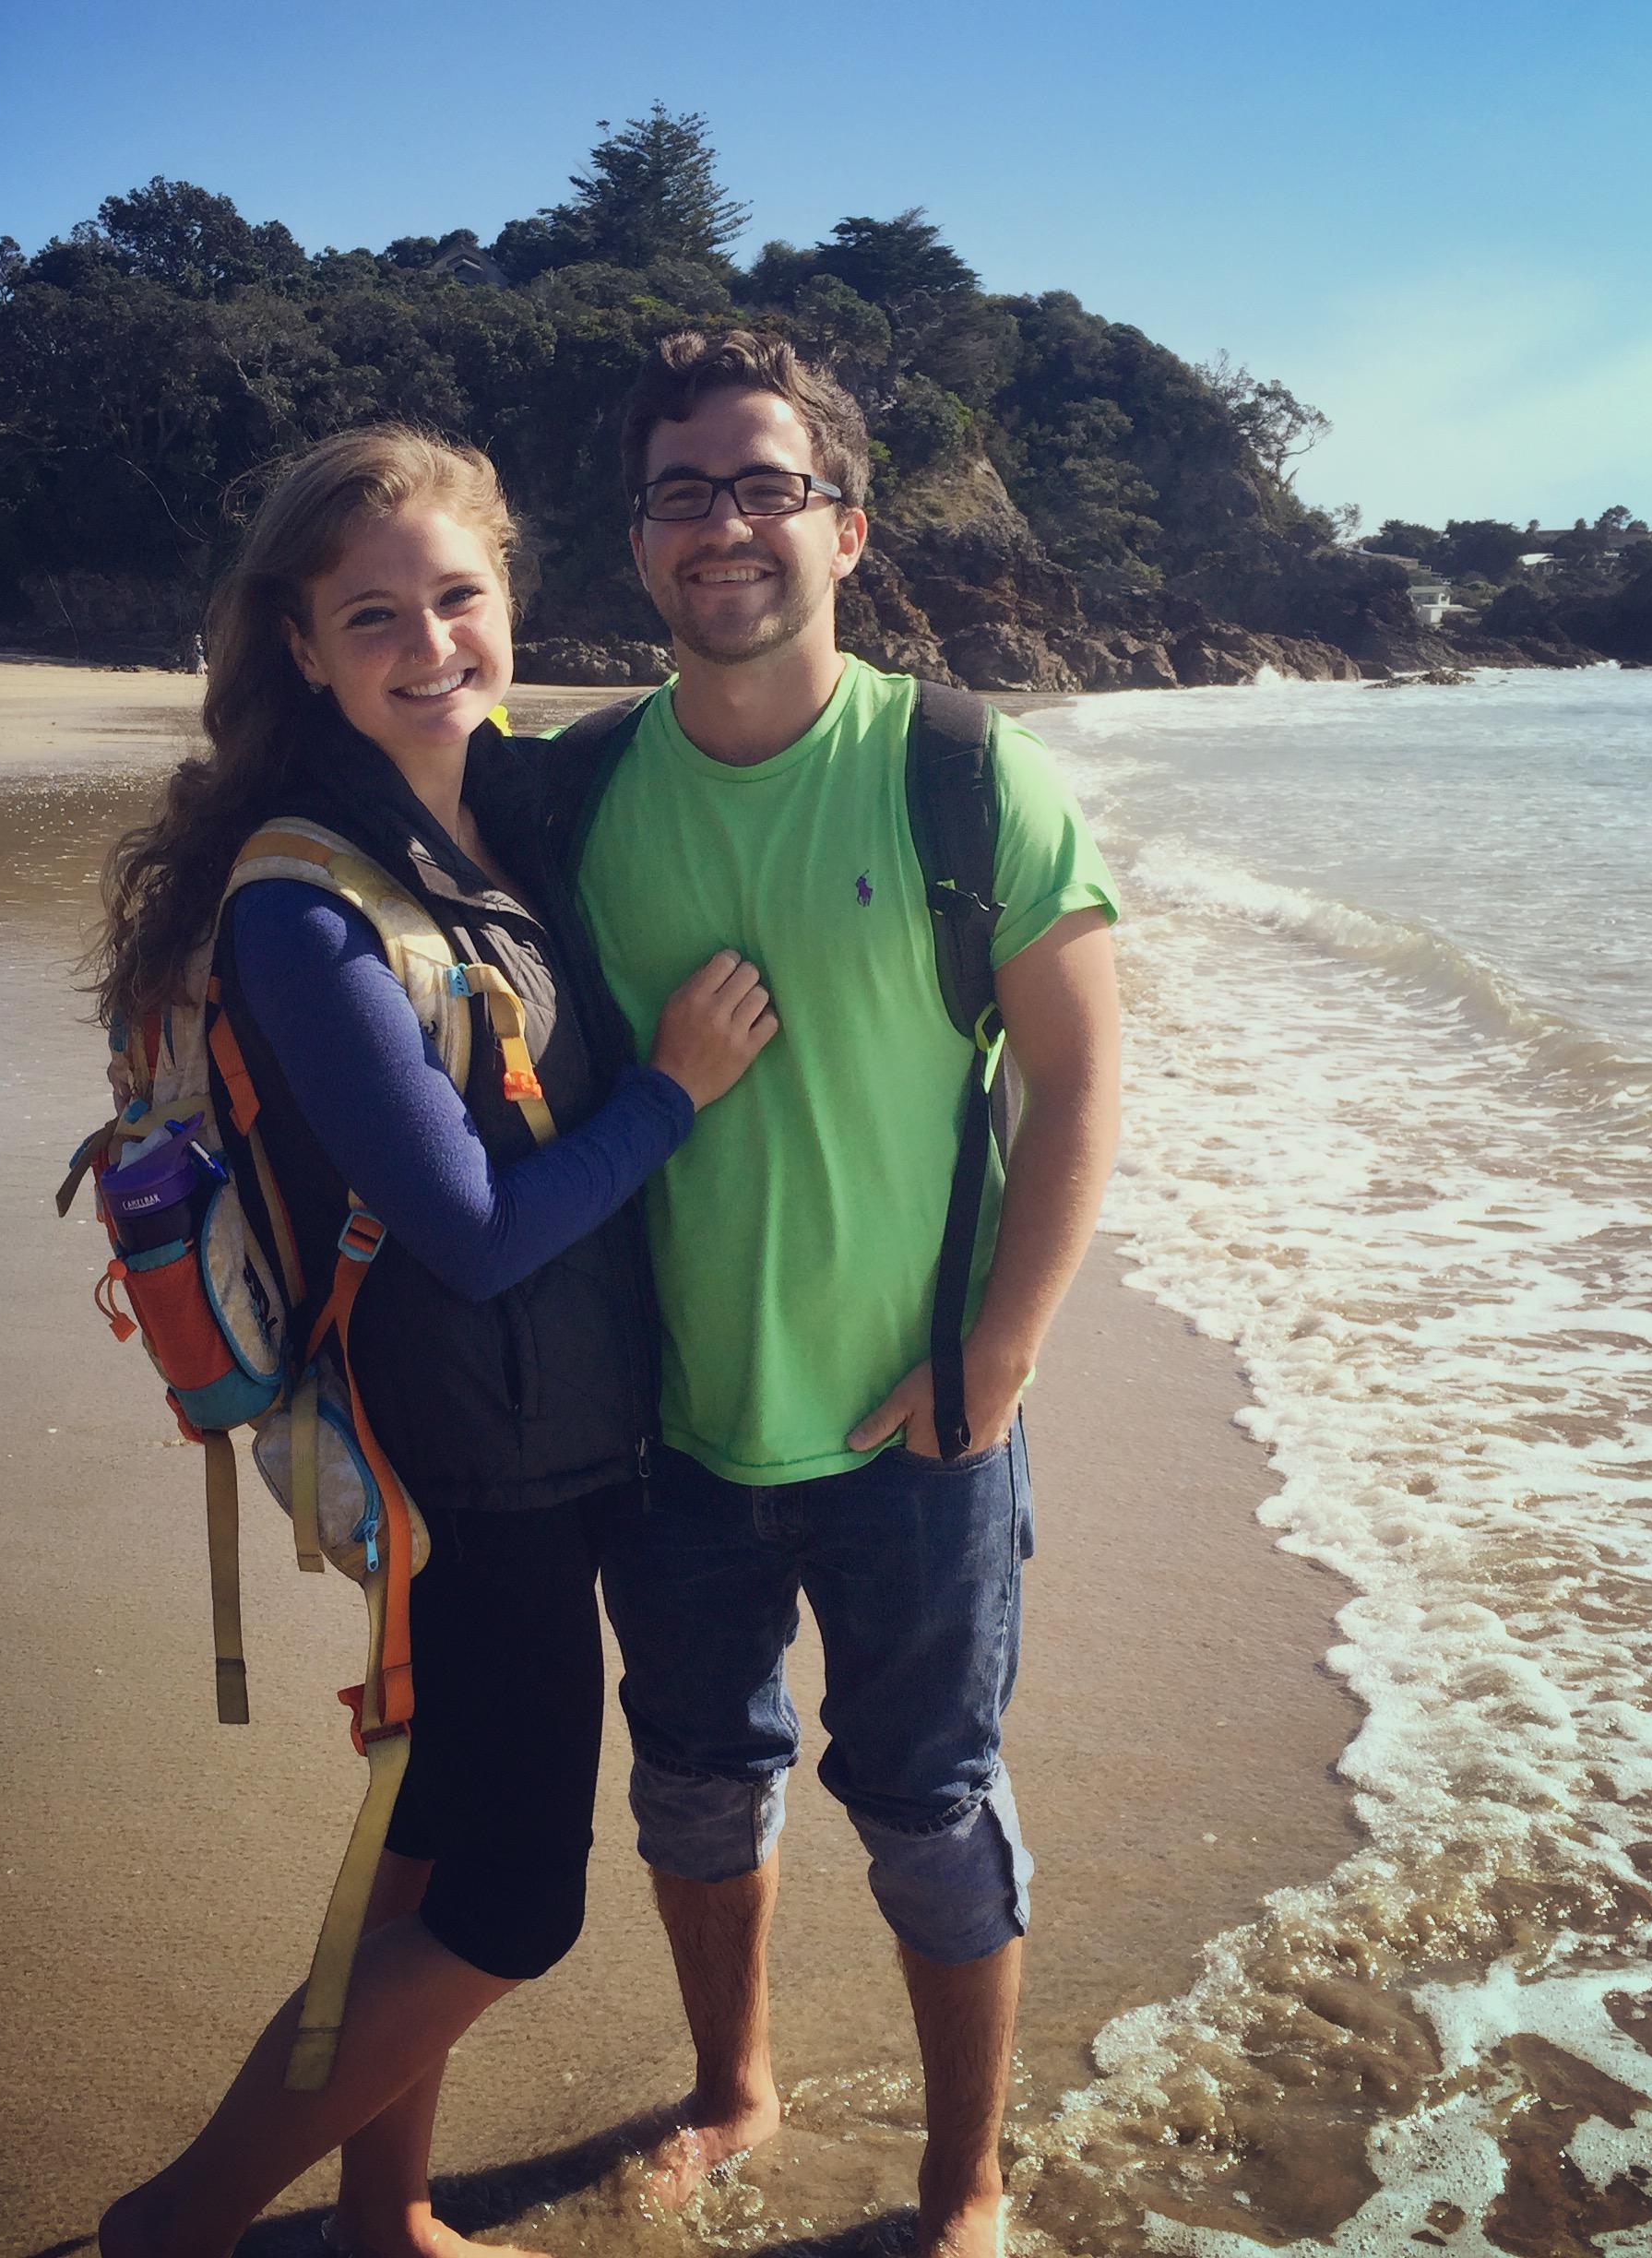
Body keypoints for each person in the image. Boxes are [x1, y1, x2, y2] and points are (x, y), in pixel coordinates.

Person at [92, 426, 777, 2258]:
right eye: (373, 614)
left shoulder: (507, 813)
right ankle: (181, 2224)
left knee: (425, 1845)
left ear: (511, 602)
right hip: (477, 1464)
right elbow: (470, 1235)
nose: (429, 643)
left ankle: (386, 2219)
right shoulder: (305, 906)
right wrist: (678, 1096)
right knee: (510, 1907)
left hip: (561, 1432)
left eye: (459, 597)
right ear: (303, 648)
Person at [554, 332, 1123, 2258]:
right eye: (684, 491)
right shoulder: (576, 801)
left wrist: (998, 1354)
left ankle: (964, 2184)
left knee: (931, 1811)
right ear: (638, 540)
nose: (726, 525)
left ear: (850, 527)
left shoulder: (965, 774)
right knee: (698, 1790)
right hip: (667, 1427)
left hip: (918, 1426)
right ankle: (735, 2087)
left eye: (767, 485)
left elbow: (1081, 1078)